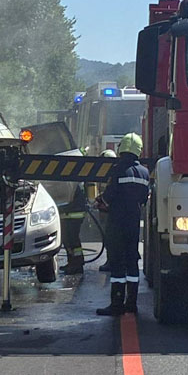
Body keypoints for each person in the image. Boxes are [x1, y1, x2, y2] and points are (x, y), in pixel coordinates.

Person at [95, 133, 149, 316]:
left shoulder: (118, 169)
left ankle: (117, 304)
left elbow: (109, 195)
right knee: (132, 262)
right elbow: (144, 199)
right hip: (133, 223)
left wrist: (100, 201)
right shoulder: (144, 173)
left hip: (117, 222)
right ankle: (131, 304)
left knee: (117, 263)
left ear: (122, 149)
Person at [96, 149, 117, 273]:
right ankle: (111, 261)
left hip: (110, 210)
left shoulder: (113, 173)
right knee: (107, 237)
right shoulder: (102, 173)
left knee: (111, 237)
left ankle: (112, 262)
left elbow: (111, 191)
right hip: (105, 210)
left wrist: (103, 200)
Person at [59, 184, 87, 275]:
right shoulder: (66, 181)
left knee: (72, 240)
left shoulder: (68, 183)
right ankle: (72, 262)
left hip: (73, 213)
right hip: (68, 213)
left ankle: (77, 264)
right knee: (67, 240)